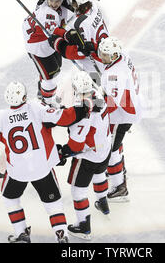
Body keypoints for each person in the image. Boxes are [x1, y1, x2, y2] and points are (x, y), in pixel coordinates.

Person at [0, 81, 99, 243]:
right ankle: (61, 235)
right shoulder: (36, 108)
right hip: (43, 168)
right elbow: (63, 118)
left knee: (10, 198)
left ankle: (21, 234)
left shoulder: (0, 118)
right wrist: (83, 108)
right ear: (24, 96)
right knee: (53, 203)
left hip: (17, 171)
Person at [56, 71, 112, 240]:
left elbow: (76, 146)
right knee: (100, 174)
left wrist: (62, 152)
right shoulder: (99, 94)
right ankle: (103, 203)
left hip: (88, 157)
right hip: (105, 150)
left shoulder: (83, 115)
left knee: (78, 192)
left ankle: (83, 227)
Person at [98, 36, 143, 202]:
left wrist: (96, 105)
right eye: (101, 53)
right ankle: (118, 172)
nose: (102, 57)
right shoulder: (123, 55)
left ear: (114, 56)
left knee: (110, 149)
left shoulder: (113, 76)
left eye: (105, 55)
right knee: (114, 144)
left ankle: (120, 187)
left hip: (123, 114)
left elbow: (113, 104)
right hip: (132, 102)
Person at [47, 0, 109, 81]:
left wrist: (59, 45)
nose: (70, 4)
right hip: (107, 53)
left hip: (97, 63)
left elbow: (81, 52)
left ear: (76, 3)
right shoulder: (93, 5)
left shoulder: (81, 24)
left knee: (98, 86)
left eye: (72, 2)